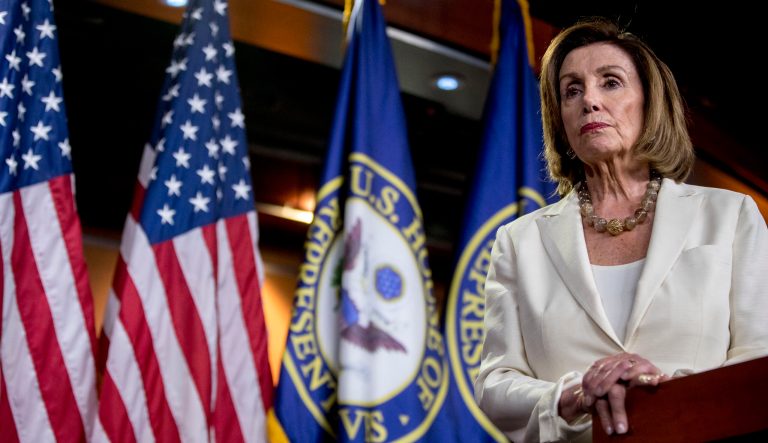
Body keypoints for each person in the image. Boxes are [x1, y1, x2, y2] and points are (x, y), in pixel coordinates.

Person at [473, 17, 768, 443]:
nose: (589, 100)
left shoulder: (731, 216)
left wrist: (658, 388)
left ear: (649, 103)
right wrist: (574, 395)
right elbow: (495, 383)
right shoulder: (520, 241)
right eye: (572, 90)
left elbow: (759, 361)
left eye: (610, 82)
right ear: (560, 119)